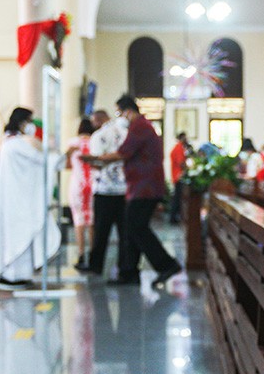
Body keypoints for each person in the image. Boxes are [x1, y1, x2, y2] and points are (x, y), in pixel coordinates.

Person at [83, 95, 181, 288]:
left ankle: (166, 265)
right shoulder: (140, 127)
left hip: (145, 187)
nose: (119, 117)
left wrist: (98, 159)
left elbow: (122, 153)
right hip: (141, 186)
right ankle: (129, 272)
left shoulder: (140, 127)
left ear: (128, 111)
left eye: (120, 112)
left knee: (136, 227)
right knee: (131, 228)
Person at [0, 107, 61, 290]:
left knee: (16, 236)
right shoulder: (15, 143)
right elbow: (40, 161)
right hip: (17, 200)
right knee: (18, 236)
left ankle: (18, 275)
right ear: (21, 122)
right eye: (29, 121)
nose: (31, 126)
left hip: (15, 197)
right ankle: (12, 276)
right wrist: (56, 156)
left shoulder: (8, 141)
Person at [82, 110, 128, 277]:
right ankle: (125, 267)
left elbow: (96, 163)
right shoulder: (126, 133)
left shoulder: (98, 136)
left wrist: (90, 160)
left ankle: (96, 265)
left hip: (104, 190)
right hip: (124, 189)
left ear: (98, 119)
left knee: (101, 231)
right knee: (125, 233)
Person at [67, 118, 96, 271]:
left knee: (78, 220)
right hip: (93, 184)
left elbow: (67, 164)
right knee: (91, 220)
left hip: (76, 184)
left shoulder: (72, 143)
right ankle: (93, 254)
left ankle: (80, 254)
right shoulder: (95, 141)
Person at [168, 132, 191, 224]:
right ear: (182, 138)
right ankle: (173, 218)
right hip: (178, 177)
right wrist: (189, 167)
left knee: (177, 198)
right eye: (185, 138)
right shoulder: (178, 148)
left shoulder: (179, 147)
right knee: (177, 199)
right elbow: (181, 163)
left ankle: (174, 217)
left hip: (177, 176)